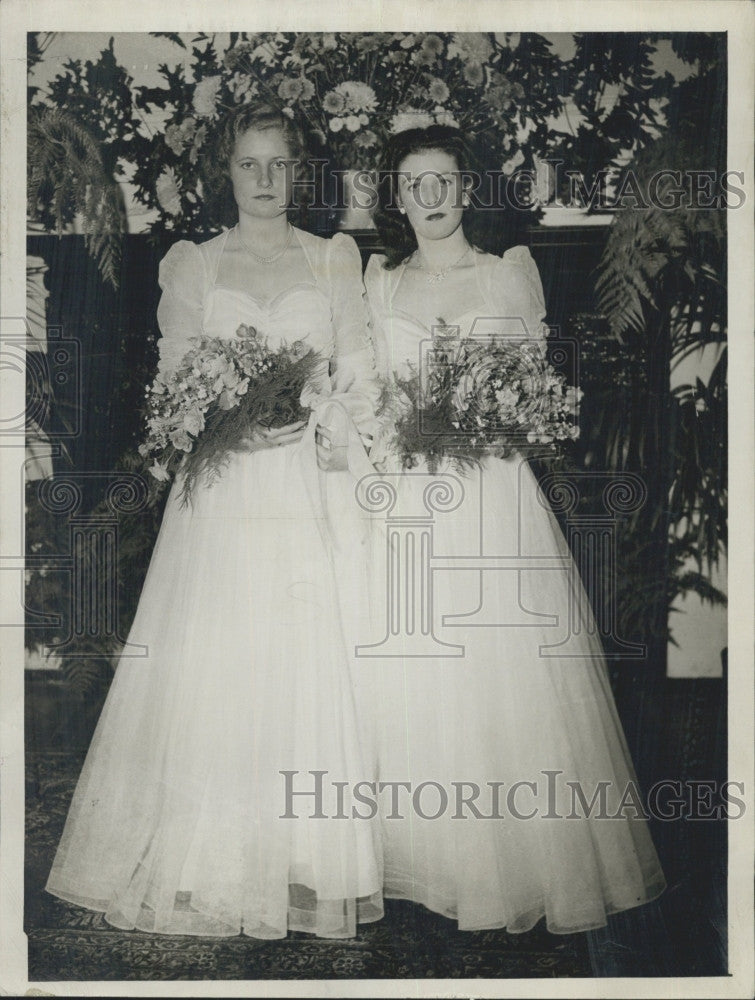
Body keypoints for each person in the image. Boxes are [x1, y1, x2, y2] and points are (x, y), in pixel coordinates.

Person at [45, 101, 385, 939]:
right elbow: (176, 381)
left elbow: (362, 372)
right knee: (221, 668)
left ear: (298, 172)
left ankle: (311, 858)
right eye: (247, 165)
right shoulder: (193, 264)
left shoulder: (334, 257)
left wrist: (322, 420)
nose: (264, 181)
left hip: (308, 483)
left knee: (306, 661)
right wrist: (222, 414)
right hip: (230, 491)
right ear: (224, 173)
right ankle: (214, 855)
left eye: (278, 165)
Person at [357, 124, 666, 934]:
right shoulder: (377, 283)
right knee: (410, 676)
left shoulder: (507, 276)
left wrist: (485, 417)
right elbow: (367, 398)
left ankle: (509, 868)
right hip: (409, 497)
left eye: (443, 183)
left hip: (493, 498)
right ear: (395, 196)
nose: (428, 199)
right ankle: (417, 861)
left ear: (467, 191)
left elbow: (533, 399)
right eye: (412, 184)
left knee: (501, 681)